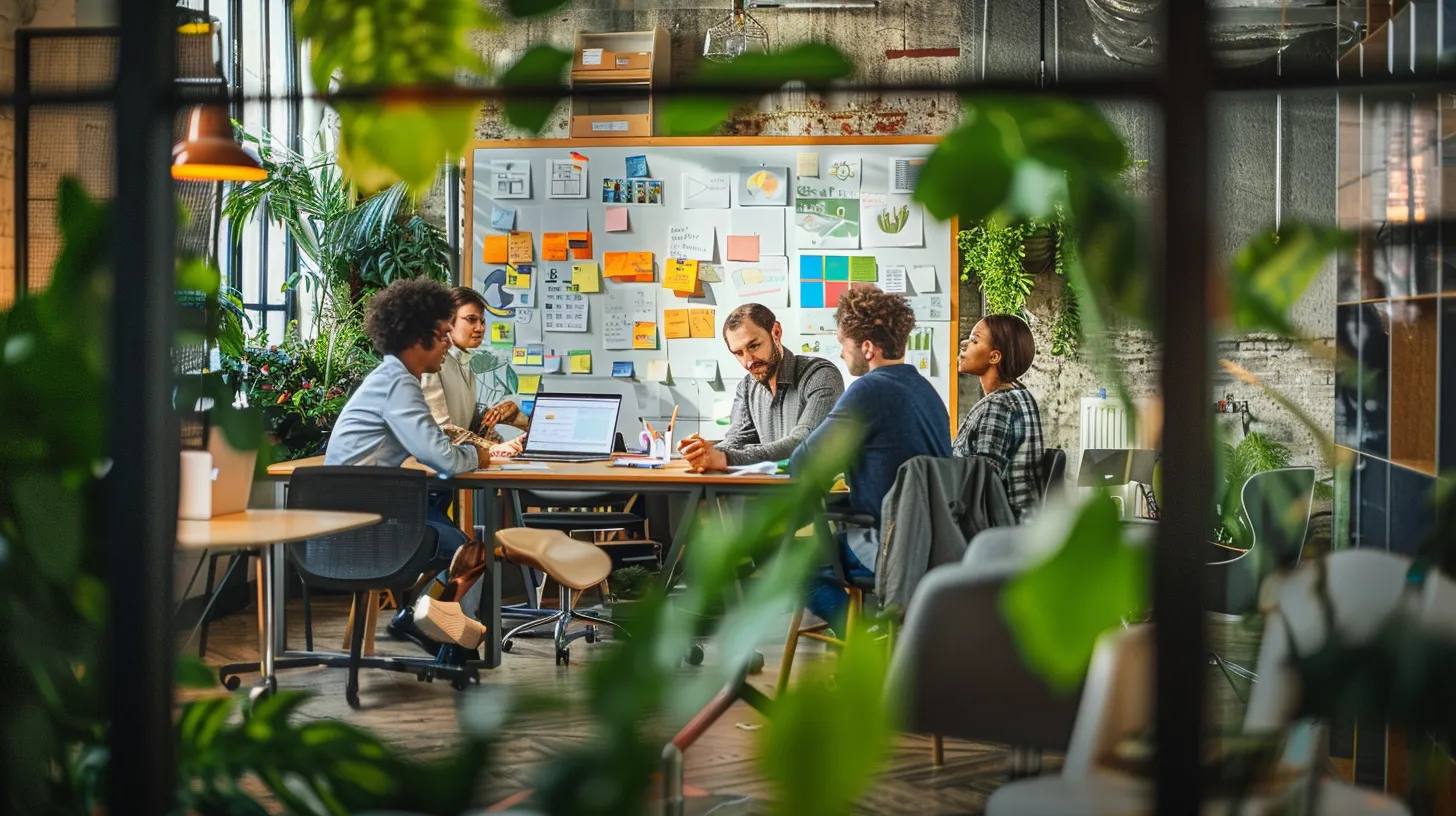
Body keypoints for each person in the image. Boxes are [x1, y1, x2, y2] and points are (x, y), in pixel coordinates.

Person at [323, 278, 489, 650]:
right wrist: (479, 454)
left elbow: (429, 443)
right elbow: (442, 458)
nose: (449, 342)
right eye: (444, 334)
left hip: (360, 509)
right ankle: (421, 623)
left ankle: (419, 621)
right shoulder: (400, 384)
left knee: (454, 537)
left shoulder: (393, 379)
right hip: (362, 520)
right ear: (420, 338)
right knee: (469, 552)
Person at [790, 288, 951, 631]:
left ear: (866, 348)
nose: (840, 352)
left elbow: (804, 465)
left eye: (842, 343)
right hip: (936, 544)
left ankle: (867, 650)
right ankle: (885, 639)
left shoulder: (868, 390)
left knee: (793, 568)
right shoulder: (927, 392)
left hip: (891, 544)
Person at [678, 303, 844, 472]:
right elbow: (735, 441)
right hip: (771, 492)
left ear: (776, 332)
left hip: (819, 494)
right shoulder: (746, 387)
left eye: (754, 346)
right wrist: (701, 452)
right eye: (739, 353)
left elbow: (804, 441)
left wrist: (725, 458)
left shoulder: (821, 374)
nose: (748, 361)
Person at [953, 313, 1046, 523]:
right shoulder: (1022, 396)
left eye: (975, 340)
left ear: (994, 357)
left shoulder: (997, 406)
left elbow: (982, 486)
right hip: (1023, 525)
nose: (964, 344)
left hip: (998, 531)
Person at [419, 286, 527, 458]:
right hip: (431, 470)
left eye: (482, 321)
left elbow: (471, 425)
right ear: (447, 322)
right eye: (471, 319)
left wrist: (510, 407)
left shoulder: (465, 363)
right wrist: (493, 447)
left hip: (455, 465)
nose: (480, 328)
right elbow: (443, 430)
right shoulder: (433, 364)